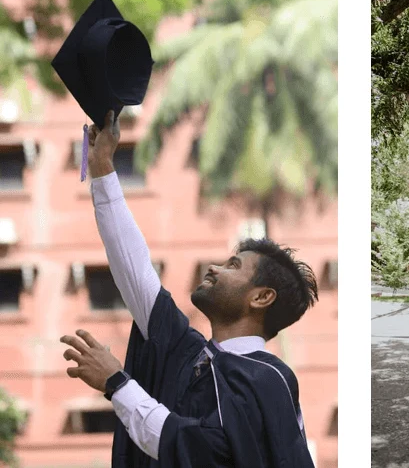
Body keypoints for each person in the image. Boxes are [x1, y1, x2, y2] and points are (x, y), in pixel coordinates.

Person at [59, 111, 318, 467]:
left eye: (233, 266)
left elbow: (204, 451)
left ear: (260, 297)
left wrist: (117, 383)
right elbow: (134, 270)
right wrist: (102, 166)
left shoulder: (268, 379)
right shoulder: (190, 354)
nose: (215, 266)